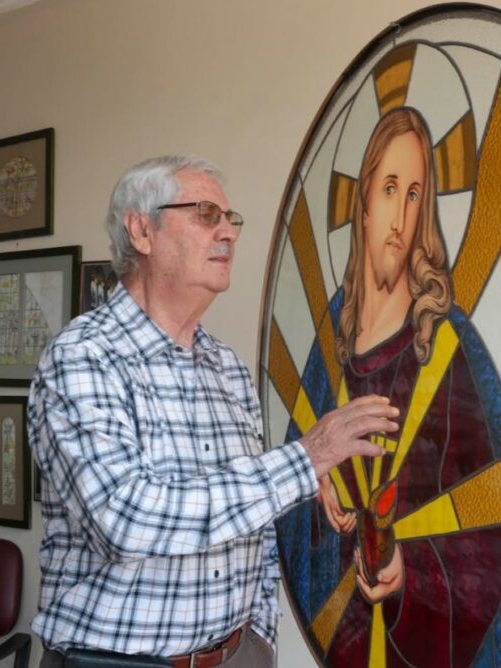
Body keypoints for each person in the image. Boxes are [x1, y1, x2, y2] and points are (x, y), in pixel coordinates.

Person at [27, 155, 400, 667]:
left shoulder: (225, 367)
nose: (228, 232)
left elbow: (256, 525)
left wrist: (259, 640)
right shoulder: (84, 358)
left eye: (231, 219)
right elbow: (124, 520)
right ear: (141, 230)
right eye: (205, 214)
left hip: (237, 654)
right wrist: (305, 460)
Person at [277, 107, 501, 666]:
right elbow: (293, 489)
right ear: (363, 203)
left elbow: (490, 522)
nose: (399, 217)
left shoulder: (445, 343)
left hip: (431, 641)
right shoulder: (332, 338)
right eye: (390, 188)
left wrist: (409, 569)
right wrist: (313, 481)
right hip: (347, 640)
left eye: (415, 194)